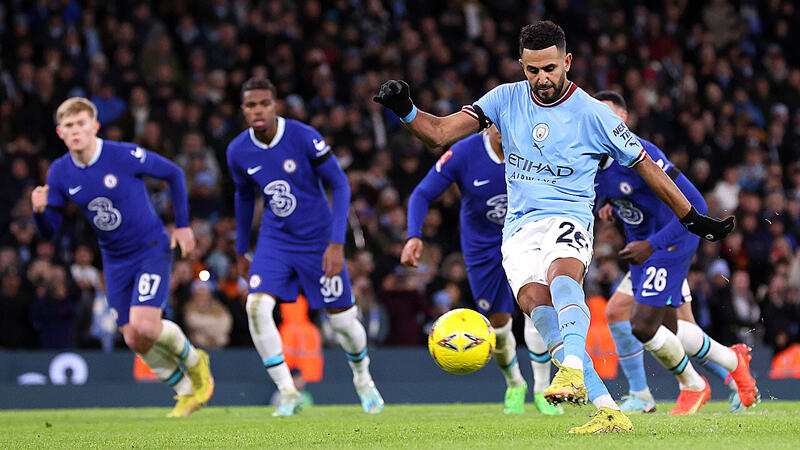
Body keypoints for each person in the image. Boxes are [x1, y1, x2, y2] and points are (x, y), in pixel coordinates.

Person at [374, 21, 733, 433]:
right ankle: (608, 410)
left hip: (568, 217)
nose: (541, 79)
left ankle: (574, 368)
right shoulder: (504, 99)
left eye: (549, 68)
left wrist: (691, 217)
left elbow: (647, 167)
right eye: (532, 70)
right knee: (537, 309)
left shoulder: (595, 114)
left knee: (564, 277)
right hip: (518, 230)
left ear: (567, 61)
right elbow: (438, 133)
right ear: (521, 65)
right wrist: (406, 110)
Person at [31, 97, 213, 417]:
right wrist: (39, 211)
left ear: (94, 127)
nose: (76, 132)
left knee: (145, 324)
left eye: (81, 124)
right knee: (133, 338)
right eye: (69, 126)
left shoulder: (122, 154)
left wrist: (183, 226)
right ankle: (185, 392)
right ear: (60, 132)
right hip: (114, 259)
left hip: (150, 248)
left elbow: (173, 173)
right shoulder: (60, 172)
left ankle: (197, 363)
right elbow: (50, 232)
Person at [593, 90, 758, 415]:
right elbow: (614, 190)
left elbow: (695, 205)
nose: (595, 122)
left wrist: (651, 246)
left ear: (621, 119)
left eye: (603, 115)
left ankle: (692, 385)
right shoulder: (591, 157)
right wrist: (607, 205)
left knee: (641, 325)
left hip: (670, 242)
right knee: (671, 327)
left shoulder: (643, 154)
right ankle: (731, 361)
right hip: (641, 248)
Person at [228, 77, 383, 416]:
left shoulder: (302, 136)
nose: (257, 110)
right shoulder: (238, 150)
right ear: (243, 110)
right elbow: (243, 196)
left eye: (263, 103)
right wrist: (241, 249)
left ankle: (363, 379)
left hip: (318, 241)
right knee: (256, 306)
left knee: (343, 323)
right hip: (276, 240)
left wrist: (337, 244)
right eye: (250, 105)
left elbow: (340, 185)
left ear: (274, 105)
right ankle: (287, 391)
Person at [401, 125, 561, 415]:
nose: (506, 130)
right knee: (498, 326)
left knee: (538, 308)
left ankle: (541, 389)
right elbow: (421, 194)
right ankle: (514, 383)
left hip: (527, 238)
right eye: (499, 123)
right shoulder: (463, 153)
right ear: (487, 125)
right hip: (483, 248)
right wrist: (414, 235)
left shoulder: (535, 148)